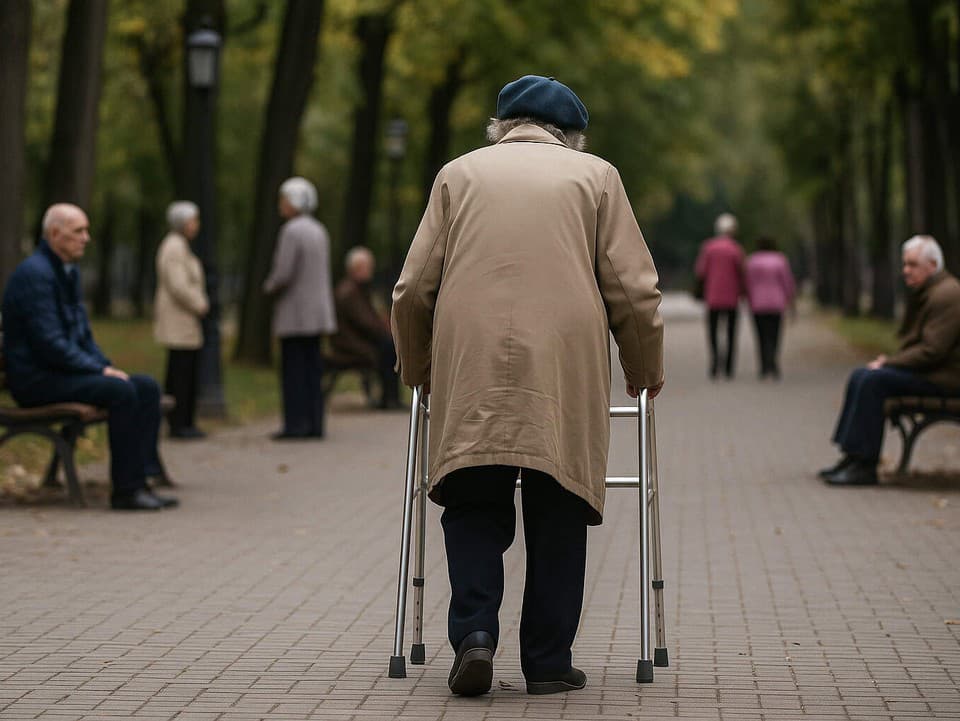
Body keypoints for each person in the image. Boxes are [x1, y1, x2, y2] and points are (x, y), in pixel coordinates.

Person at [392, 75, 664, 697]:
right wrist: (643, 371)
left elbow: (412, 289)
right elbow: (634, 289)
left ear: (500, 127)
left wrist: (417, 369)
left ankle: (475, 636)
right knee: (560, 504)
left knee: (472, 498)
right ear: (572, 136)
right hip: (563, 365)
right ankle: (546, 661)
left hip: (473, 363)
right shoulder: (596, 177)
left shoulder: (456, 176)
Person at [1, 204, 177, 511]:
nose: (86, 238)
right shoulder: (35, 275)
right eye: (78, 231)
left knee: (145, 387)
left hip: (61, 373)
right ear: (55, 234)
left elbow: (82, 334)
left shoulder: (66, 271)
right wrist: (98, 370)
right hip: (37, 380)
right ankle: (126, 490)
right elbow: (49, 344)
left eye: (86, 230)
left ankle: (142, 479)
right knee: (120, 391)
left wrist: (104, 365)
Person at [820, 235, 960, 486]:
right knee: (862, 375)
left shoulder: (947, 295)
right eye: (905, 264)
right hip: (935, 372)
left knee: (874, 381)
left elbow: (933, 351)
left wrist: (890, 363)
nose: (906, 270)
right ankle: (853, 456)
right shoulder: (932, 291)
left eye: (913, 264)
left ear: (933, 264)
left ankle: (865, 465)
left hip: (946, 378)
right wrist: (889, 362)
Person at [263, 177, 337, 440]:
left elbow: (283, 273)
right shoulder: (319, 230)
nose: (280, 205)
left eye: (283, 199)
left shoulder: (291, 230)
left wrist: (268, 287)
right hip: (317, 313)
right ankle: (315, 423)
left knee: (293, 371)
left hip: (295, 313)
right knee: (312, 370)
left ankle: (295, 424)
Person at [154, 201, 210, 439]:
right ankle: (179, 423)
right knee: (181, 373)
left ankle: (184, 421)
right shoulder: (174, 247)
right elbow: (178, 285)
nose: (196, 225)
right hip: (179, 319)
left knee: (185, 371)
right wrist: (200, 303)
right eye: (193, 220)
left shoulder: (180, 246)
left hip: (184, 320)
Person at [330, 246, 401, 409]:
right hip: (349, 344)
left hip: (355, 340)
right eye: (367, 267)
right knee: (389, 346)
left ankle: (390, 398)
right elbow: (365, 323)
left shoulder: (356, 290)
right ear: (355, 269)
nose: (370, 271)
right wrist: (385, 330)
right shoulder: (349, 292)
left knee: (389, 345)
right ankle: (389, 399)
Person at [695, 213, 745, 379]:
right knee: (731, 332)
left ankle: (715, 364)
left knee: (713, 332)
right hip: (732, 297)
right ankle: (729, 367)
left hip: (713, 296)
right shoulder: (736, 249)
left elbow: (701, 272)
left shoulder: (708, 247)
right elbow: (742, 272)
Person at [744, 236, 795, 380]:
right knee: (775, 335)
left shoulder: (752, 261)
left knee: (760, 335)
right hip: (776, 302)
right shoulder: (780, 260)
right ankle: (773, 362)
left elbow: (748, 282)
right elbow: (787, 281)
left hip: (758, 303)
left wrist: (748, 298)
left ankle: (763, 366)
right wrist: (790, 298)